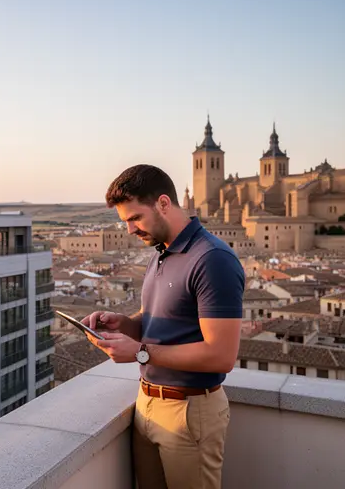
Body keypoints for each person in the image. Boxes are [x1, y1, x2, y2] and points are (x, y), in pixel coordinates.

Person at [81, 164, 244, 489]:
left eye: (135, 218)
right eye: (125, 221)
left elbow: (221, 356)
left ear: (164, 204)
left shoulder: (212, 259)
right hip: (148, 405)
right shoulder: (161, 254)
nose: (129, 229)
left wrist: (140, 353)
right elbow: (154, 322)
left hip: (189, 411)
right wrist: (125, 325)